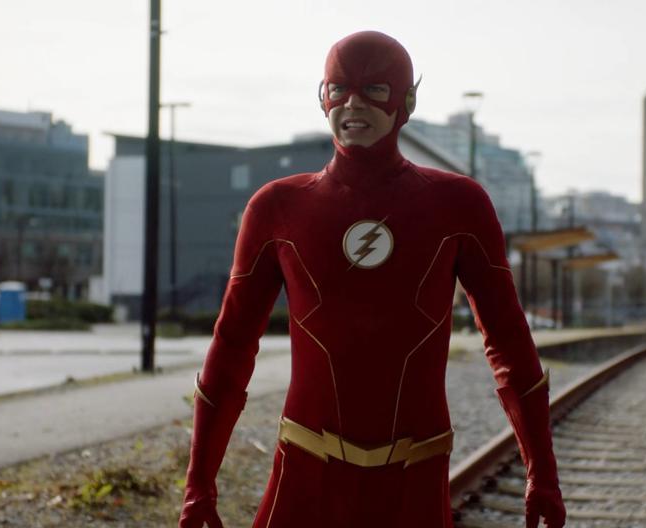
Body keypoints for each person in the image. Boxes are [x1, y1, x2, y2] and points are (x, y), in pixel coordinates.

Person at [179, 30, 567, 528]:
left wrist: (543, 473)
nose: (352, 103)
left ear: (406, 101)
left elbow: (509, 341)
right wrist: (198, 485)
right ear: (322, 98)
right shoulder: (277, 207)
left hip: (416, 481)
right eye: (337, 89)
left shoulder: (458, 205)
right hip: (305, 480)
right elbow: (232, 345)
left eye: (374, 89)